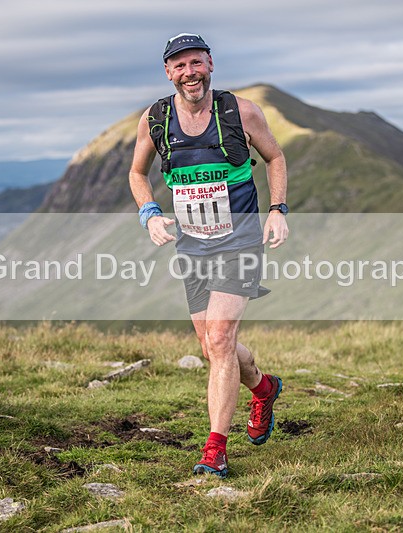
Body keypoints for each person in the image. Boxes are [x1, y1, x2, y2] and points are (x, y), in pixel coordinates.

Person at [128, 33, 289, 478]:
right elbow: (137, 172)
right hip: (193, 244)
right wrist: (150, 213)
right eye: (179, 66)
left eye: (196, 63)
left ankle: (214, 449)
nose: (189, 73)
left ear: (211, 65)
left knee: (219, 341)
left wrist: (276, 210)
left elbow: (275, 158)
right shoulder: (156, 119)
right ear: (168, 72)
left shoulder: (240, 112)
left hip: (240, 241)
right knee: (212, 346)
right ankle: (263, 387)